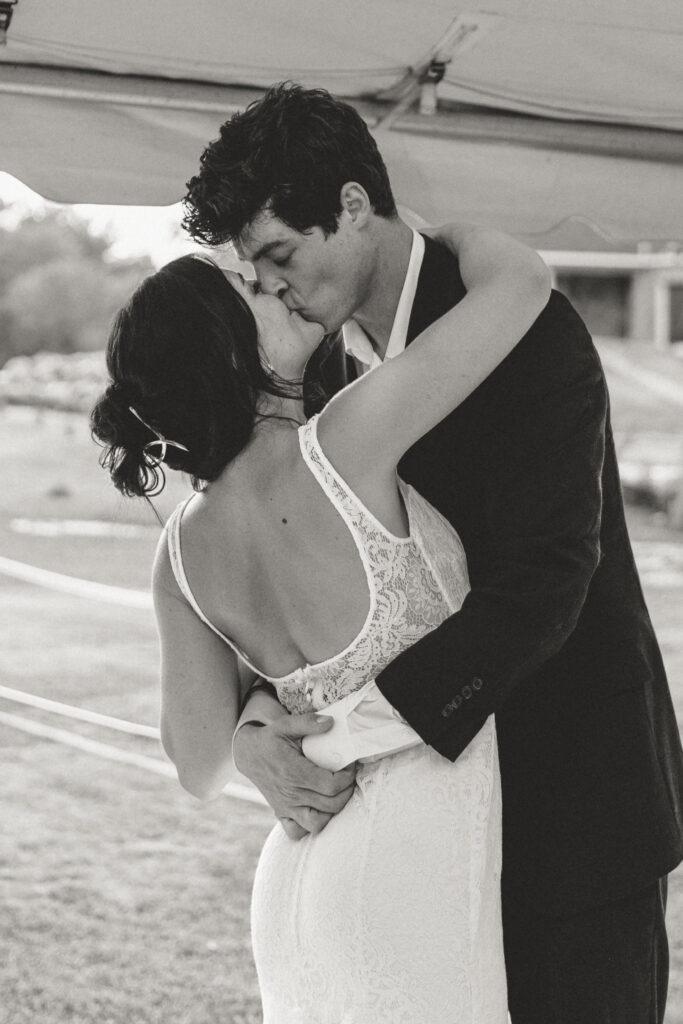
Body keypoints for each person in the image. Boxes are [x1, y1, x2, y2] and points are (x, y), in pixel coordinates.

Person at [182, 83, 683, 1024]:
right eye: (256, 272)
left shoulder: (525, 331)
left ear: (351, 205)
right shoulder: (311, 373)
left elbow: (543, 585)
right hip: (407, 837)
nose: (274, 288)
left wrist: (340, 736)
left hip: (566, 807)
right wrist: (256, 731)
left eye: (281, 254)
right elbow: (285, 582)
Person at [91, 225, 550, 1021]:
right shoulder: (345, 440)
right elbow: (521, 284)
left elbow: (198, 767)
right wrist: (433, 227)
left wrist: (253, 725)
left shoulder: (180, 551)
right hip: (412, 872)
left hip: (301, 881)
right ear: (228, 352)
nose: (283, 286)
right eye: (256, 292)